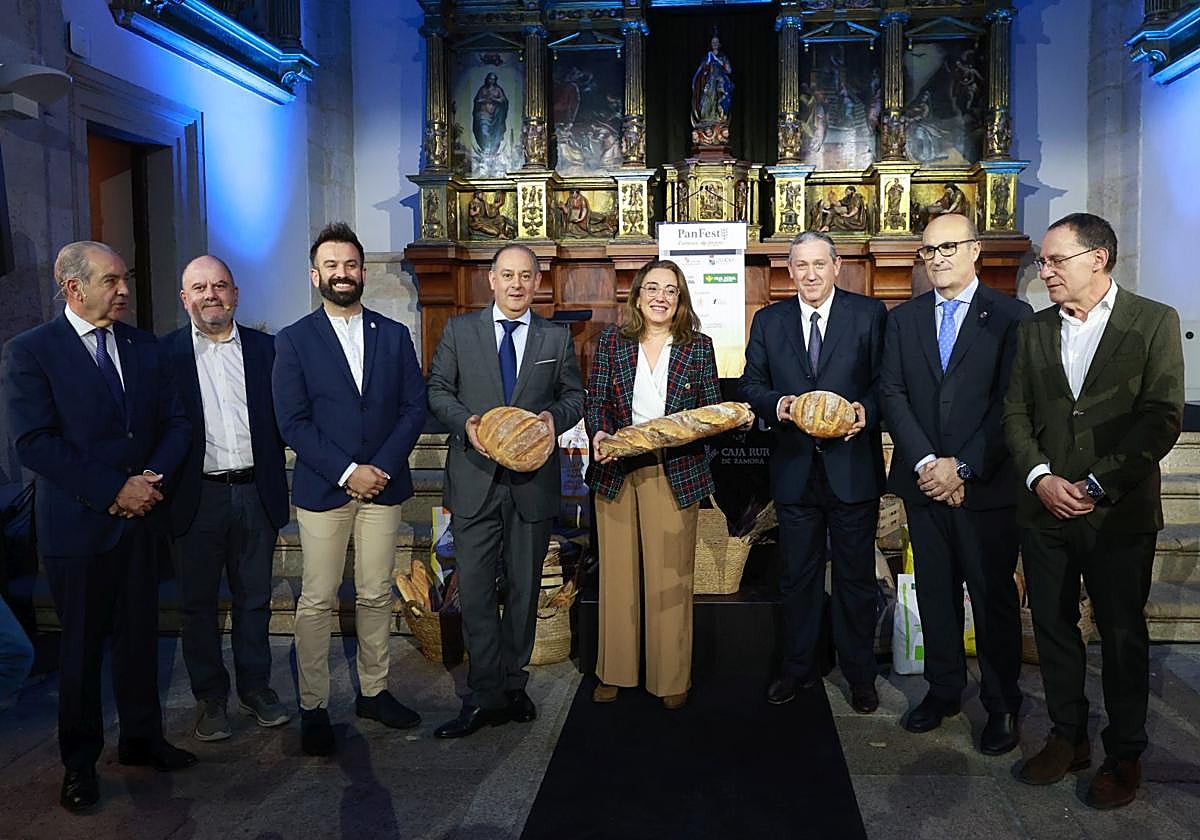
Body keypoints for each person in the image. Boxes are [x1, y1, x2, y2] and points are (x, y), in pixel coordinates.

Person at [1, 241, 195, 813]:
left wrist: (151, 479)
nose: (125, 290)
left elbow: (177, 422)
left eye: (124, 278)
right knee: (81, 651)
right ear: (73, 288)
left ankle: (142, 738)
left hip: (141, 520)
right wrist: (114, 490)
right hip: (78, 527)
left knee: (140, 638)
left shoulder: (143, 346)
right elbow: (35, 443)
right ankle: (80, 764)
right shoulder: (31, 351)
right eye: (111, 281)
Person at [1004, 213, 1184, 809]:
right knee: (1053, 626)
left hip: (1118, 512)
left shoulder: (1153, 321)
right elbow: (1015, 413)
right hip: (1045, 508)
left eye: (1056, 260)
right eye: (1043, 261)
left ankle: (1125, 752)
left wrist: (1098, 483)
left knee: (1122, 633)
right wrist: (1040, 477)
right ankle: (1068, 737)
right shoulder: (1033, 329)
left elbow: (1161, 415)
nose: (1045, 271)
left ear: (1098, 258)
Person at [272, 223, 427, 756]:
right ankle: (313, 705)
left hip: (383, 484)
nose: (343, 273)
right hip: (324, 488)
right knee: (317, 599)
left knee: (376, 592)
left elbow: (414, 407)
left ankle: (374, 692)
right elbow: (292, 422)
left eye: (351, 265)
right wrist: (346, 472)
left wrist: (379, 466)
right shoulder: (294, 340)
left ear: (362, 272)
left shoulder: (393, 334)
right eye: (332, 266)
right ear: (315, 275)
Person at [879, 214, 1032, 755]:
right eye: (929, 250)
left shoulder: (1011, 315)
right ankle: (943, 689)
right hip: (925, 484)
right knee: (935, 593)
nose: (937, 258)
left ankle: (1001, 703)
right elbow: (892, 393)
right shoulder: (904, 319)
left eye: (948, 247)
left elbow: (1011, 402)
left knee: (992, 599)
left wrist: (962, 467)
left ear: (974, 250)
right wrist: (928, 463)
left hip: (985, 486)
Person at [427, 244, 584, 738]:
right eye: (507, 275)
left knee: (523, 589)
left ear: (537, 282)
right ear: (491, 280)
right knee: (474, 591)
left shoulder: (555, 337)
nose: (517, 284)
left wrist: (552, 419)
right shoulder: (460, 331)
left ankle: (515, 684)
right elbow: (437, 390)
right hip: (474, 480)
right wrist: (466, 423)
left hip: (530, 485)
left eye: (526, 276)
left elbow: (574, 396)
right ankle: (484, 692)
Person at [586, 260, 751, 710]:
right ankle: (614, 671)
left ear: (680, 301)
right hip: (616, 465)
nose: (661, 297)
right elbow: (596, 401)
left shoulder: (698, 347)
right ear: (638, 295)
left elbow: (709, 411)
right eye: (653, 288)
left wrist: (727, 422)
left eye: (671, 291)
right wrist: (599, 434)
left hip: (675, 469)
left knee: (671, 577)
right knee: (617, 576)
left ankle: (670, 676)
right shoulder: (612, 343)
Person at [739, 231, 887, 713]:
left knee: (855, 579)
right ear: (790, 270)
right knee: (797, 578)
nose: (810, 274)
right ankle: (797, 668)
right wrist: (779, 404)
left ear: (836, 266)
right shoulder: (770, 320)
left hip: (852, 468)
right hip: (795, 470)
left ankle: (860, 675)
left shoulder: (869, 314)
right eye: (800, 265)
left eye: (819, 264)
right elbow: (751, 384)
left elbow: (886, 383)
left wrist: (865, 411)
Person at [164, 256, 291, 742]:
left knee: (254, 600)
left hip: (256, 492)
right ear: (185, 299)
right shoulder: (164, 355)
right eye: (199, 287)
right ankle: (210, 699)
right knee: (197, 605)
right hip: (196, 496)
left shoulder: (268, 350)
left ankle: (256, 689)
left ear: (235, 294)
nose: (210, 295)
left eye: (219, 285)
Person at [691, 33, 733, 127]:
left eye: (716, 42)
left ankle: (719, 116)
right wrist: (707, 63)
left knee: (719, 98)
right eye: (713, 42)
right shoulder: (707, 57)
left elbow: (729, 70)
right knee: (707, 97)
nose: (714, 44)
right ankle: (707, 117)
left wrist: (719, 62)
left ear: (719, 44)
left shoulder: (723, 57)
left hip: (720, 81)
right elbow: (701, 72)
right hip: (709, 81)